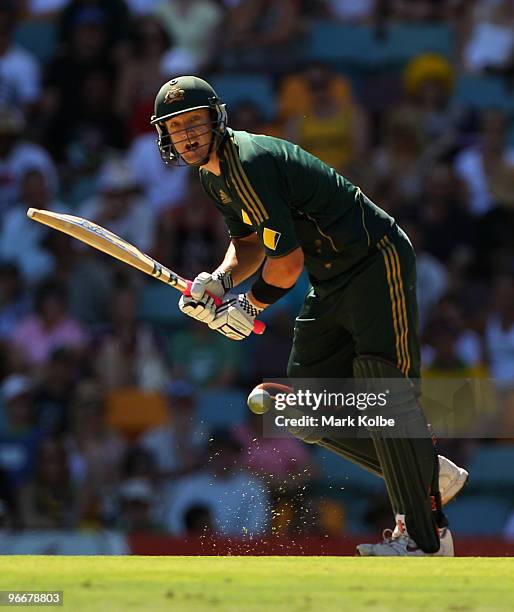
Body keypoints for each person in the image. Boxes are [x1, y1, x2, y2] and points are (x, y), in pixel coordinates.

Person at [149, 75, 470, 556]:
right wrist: (219, 281)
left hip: (373, 258)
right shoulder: (212, 175)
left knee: (382, 382)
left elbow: (288, 264)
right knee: (303, 411)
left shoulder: (250, 162)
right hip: (332, 277)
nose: (188, 135)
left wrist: (248, 306)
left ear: (216, 119)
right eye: (177, 128)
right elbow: (249, 244)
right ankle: (427, 471)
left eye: (195, 122)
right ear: (165, 136)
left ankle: (425, 539)